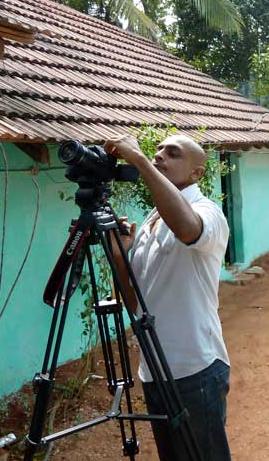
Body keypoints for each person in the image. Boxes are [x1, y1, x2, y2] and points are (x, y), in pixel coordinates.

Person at [104, 134, 231, 461]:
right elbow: (136, 304)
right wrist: (120, 257)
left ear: (197, 173)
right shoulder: (151, 220)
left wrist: (141, 162)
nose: (160, 156)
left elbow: (189, 229)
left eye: (172, 154)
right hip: (154, 370)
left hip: (195, 368)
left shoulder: (208, 212)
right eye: (157, 151)